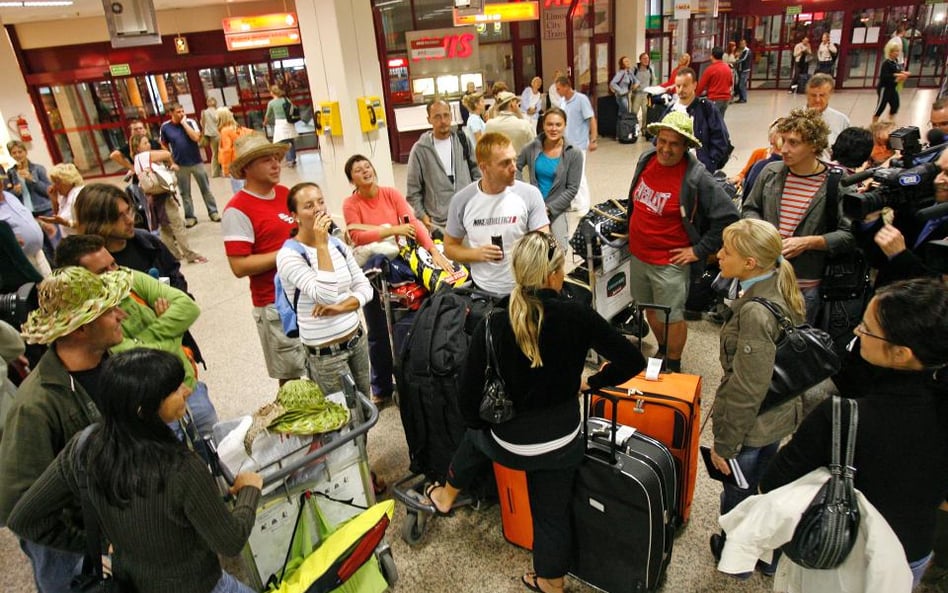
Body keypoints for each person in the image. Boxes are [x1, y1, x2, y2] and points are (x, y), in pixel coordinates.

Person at [424, 231, 647, 593]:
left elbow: (467, 398)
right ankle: (550, 581)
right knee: (552, 512)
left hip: (509, 441)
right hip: (562, 440)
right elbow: (632, 359)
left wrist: (482, 425)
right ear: (554, 274)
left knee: (475, 437)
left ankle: (446, 496)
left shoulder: (494, 323)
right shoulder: (579, 316)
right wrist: (592, 383)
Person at [8, 348, 263, 593]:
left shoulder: (84, 448)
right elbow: (230, 541)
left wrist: (99, 543)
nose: (186, 391)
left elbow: (23, 519)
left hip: (130, 583)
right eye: (174, 389)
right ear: (144, 409)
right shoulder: (182, 468)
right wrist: (249, 490)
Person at [760, 278, 948, 589]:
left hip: (841, 552)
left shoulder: (840, 415)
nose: (858, 333)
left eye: (866, 328)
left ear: (901, 353)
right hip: (911, 551)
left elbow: (773, 484)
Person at [0, 266, 130, 592]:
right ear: (79, 330)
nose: (122, 315)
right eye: (108, 311)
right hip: (68, 553)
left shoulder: (109, 365)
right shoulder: (36, 407)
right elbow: (19, 511)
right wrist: (92, 543)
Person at [706, 219, 807, 576]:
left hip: (752, 423)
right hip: (779, 415)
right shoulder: (782, 283)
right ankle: (765, 556)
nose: (719, 255)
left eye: (727, 251)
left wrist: (725, 443)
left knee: (738, 495)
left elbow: (748, 387)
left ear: (750, 263)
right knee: (765, 485)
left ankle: (738, 560)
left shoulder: (754, 311)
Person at [54, 234, 218, 438]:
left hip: (190, 389)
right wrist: (173, 333)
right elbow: (137, 363)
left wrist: (146, 340)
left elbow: (188, 307)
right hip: (154, 413)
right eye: (103, 271)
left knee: (215, 449)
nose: (115, 273)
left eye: (113, 264)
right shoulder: (93, 324)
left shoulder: (127, 276)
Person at [626, 111, 740, 372]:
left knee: (673, 315)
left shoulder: (696, 177)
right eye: (661, 141)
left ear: (686, 145)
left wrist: (698, 250)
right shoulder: (646, 159)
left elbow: (729, 216)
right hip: (639, 255)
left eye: (674, 143)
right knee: (650, 309)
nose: (665, 149)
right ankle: (664, 349)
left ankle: (673, 364)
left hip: (669, 262)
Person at [342, 154, 453, 403]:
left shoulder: (390, 193)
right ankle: (381, 387)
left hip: (401, 260)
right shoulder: (351, 204)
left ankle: (416, 379)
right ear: (352, 180)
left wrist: (434, 251)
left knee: (412, 321)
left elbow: (411, 223)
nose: (365, 171)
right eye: (358, 170)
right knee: (378, 329)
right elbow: (356, 236)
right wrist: (392, 229)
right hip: (374, 271)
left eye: (367, 166)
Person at [742, 108, 855, 323]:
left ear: (814, 145)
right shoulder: (770, 173)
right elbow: (750, 208)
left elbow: (848, 235)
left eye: (793, 143)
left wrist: (807, 242)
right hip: (764, 276)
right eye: (782, 140)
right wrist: (763, 231)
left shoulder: (836, 183)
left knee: (794, 347)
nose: (783, 149)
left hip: (803, 284)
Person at [222, 133, 306, 386]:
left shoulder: (285, 194)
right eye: (266, 160)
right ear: (247, 167)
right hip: (275, 303)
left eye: (277, 158)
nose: (276, 164)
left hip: (306, 295)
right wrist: (287, 253)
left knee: (317, 368)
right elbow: (239, 266)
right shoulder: (237, 210)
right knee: (292, 380)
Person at [278, 182, 373, 399]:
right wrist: (321, 245)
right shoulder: (289, 255)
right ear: (295, 216)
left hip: (356, 339)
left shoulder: (337, 244)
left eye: (321, 202)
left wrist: (341, 307)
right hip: (326, 354)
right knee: (344, 420)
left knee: (365, 407)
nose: (319, 209)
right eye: (309, 205)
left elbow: (366, 288)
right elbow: (325, 295)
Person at [444, 132, 549, 297]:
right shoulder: (462, 200)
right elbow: (449, 248)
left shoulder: (530, 194)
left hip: (525, 291)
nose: (514, 167)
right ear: (484, 168)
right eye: (505, 163)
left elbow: (544, 242)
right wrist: (476, 254)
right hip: (483, 293)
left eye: (514, 160)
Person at [72, 183, 189, 292]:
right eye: (118, 217)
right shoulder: (87, 265)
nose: (130, 220)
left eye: (128, 211)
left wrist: (172, 299)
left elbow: (173, 275)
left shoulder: (147, 242)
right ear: (97, 223)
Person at [131, 133, 207, 264]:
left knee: (164, 227)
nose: (148, 145)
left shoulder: (139, 160)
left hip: (154, 198)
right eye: (144, 143)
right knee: (177, 225)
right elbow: (166, 154)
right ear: (137, 147)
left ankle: (174, 255)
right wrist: (166, 155)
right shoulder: (143, 157)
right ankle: (190, 254)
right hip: (163, 197)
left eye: (148, 142)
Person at [406, 99, 480, 234]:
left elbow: (477, 173)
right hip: (439, 224)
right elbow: (412, 191)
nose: (443, 121)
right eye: (437, 117)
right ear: (429, 120)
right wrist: (423, 215)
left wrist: (478, 202)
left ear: (451, 116)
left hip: (469, 216)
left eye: (446, 115)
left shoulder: (462, 140)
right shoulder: (420, 149)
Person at [516, 107, 582, 250]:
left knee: (559, 249)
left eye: (558, 125)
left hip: (557, 208)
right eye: (549, 124)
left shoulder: (574, 153)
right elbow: (515, 166)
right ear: (543, 125)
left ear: (565, 126)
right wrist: (522, 190)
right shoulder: (531, 147)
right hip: (534, 206)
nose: (553, 129)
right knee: (535, 250)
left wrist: (548, 209)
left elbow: (572, 189)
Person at [160, 102, 220, 227]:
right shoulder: (165, 127)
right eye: (178, 112)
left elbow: (196, 138)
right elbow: (163, 144)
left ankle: (213, 212)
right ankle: (190, 217)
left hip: (196, 162)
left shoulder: (191, 122)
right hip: (180, 164)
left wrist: (184, 123)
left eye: (182, 111)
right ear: (171, 113)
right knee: (185, 193)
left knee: (206, 189)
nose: (182, 114)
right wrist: (170, 161)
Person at [667, 67, 733, 172]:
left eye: (685, 86)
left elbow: (721, 138)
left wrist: (710, 163)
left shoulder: (707, 109)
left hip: (700, 169)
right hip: (674, 168)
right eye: (678, 86)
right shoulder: (670, 111)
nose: (680, 90)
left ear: (694, 85)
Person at [553, 75, 596, 214]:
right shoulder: (562, 102)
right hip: (565, 144)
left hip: (579, 144)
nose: (558, 92)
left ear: (566, 87)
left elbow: (591, 119)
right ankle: (575, 202)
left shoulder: (581, 100)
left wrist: (593, 139)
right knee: (567, 175)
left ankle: (585, 205)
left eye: (559, 89)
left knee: (579, 175)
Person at [5, 140, 52, 218]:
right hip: (25, 211)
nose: (17, 155)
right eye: (14, 153)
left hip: (44, 209)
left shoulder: (38, 169)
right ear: (11, 155)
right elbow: (8, 194)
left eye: (20, 152)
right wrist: (15, 191)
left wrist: (33, 180)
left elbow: (48, 191)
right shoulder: (11, 172)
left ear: (25, 152)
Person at [805, 73, 851, 151]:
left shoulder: (842, 121)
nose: (817, 100)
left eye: (822, 95)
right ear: (807, 94)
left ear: (830, 94)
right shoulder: (793, 119)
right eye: (813, 95)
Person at [41, 163, 84, 236]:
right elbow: (58, 216)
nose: (54, 186)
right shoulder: (64, 197)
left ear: (68, 181)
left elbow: (89, 223)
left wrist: (66, 223)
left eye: (57, 182)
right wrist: (54, 200)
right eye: (53, 182)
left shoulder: (78, 195)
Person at [874, 39, 911, 124]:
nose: (897, 53)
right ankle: (874, 124)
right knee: (881, 106)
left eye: (898, 51)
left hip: (893, 88)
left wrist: (903, 73)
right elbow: (884, 76)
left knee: (895, 105)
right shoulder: (886, 63)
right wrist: (897, 76)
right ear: (890, 52)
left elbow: (898, 71)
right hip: (885, 88)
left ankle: (891, 122)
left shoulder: (896, 62)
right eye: (895, 51)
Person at [217, 107, 252, 193]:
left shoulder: (224, 131)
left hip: (234, 162)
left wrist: (225, 168)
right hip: (245, 159)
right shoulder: (238, 127)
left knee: (239, 191)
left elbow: (226, 150)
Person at [264, 84, 298, 168]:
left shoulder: (271, 103)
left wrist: (265, 122)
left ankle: (289, 159)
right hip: (289, 122)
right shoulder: (286, 99)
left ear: (272, 92)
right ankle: (293, 158)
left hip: (280, 123)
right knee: (290, 141)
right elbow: (292, 108)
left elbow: (268, 114)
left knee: (283, 142)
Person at [696, 46, 735, 116]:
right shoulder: (727, 68)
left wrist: (695, 96)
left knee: (712, 121)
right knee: (720, 120)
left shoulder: (710, 69)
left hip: (714, 98)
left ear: (712, 56)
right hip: (725, 99)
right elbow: (730, 83)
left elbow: (701, 85)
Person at [200, 96, 222, 177]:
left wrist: (203, 133)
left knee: (215, 154)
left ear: (207, 103)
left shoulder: (204, 112)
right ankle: (225, 170)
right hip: (221, 133)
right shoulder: (219, 111)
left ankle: (215, 173)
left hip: (212, 135)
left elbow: (202, 124)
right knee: (224, 151)